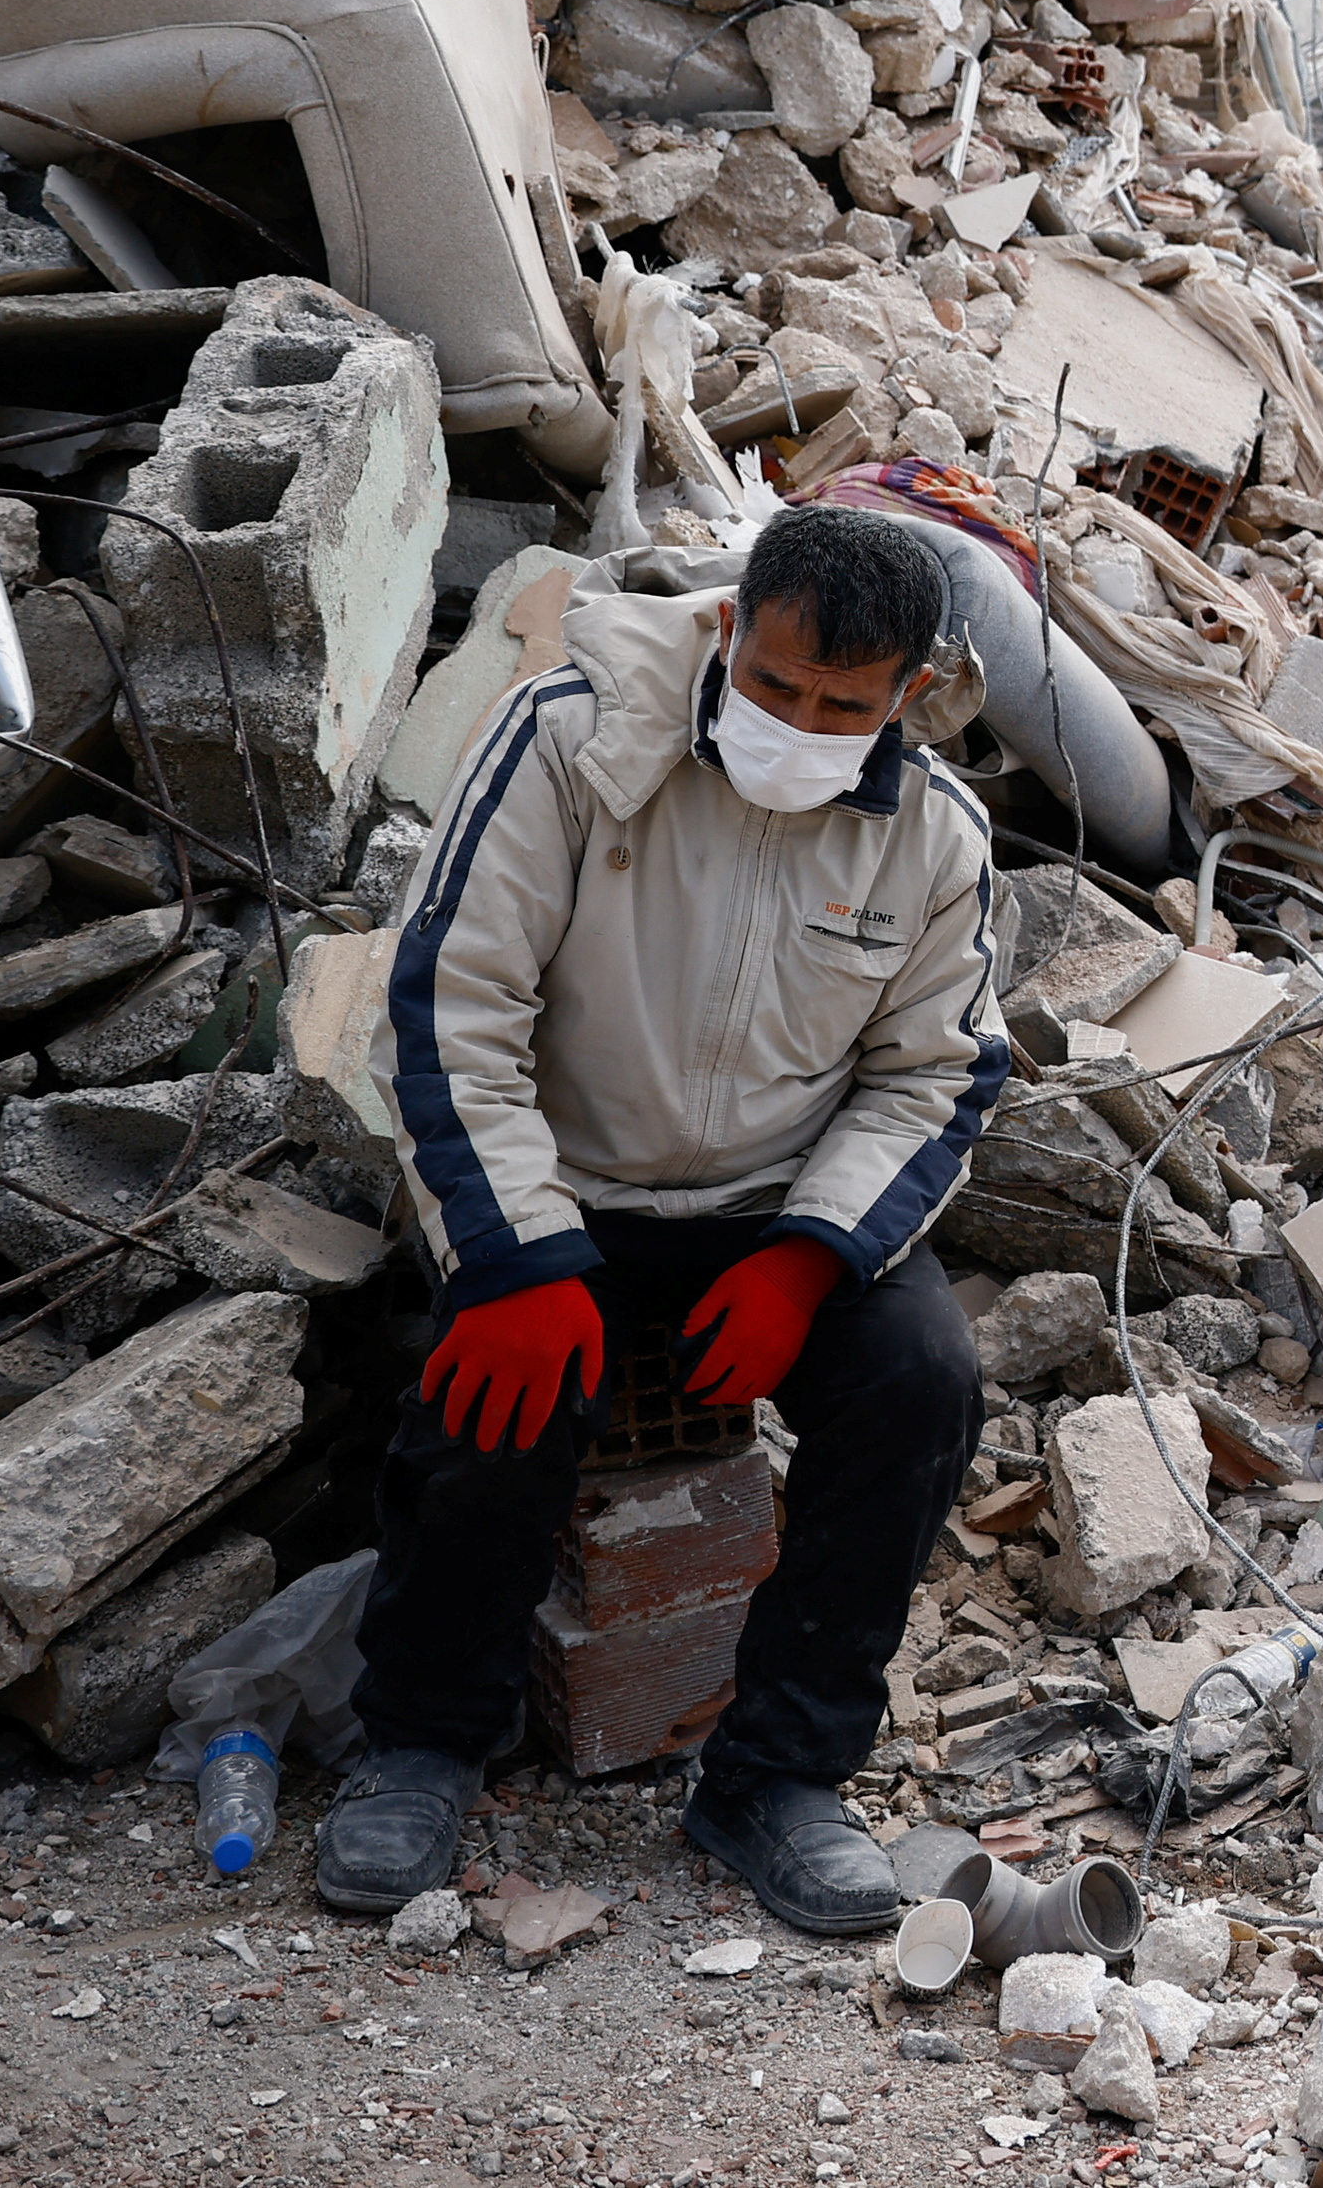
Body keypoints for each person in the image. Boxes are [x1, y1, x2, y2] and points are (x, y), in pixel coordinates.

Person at [304, 504, 1009, 1934]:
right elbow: (453, 1008)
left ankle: (780, 1777)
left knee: (922, 1384)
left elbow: (935, 1076)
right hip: (562, 1184)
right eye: (775, 683)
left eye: (842, 707)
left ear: (908, 697)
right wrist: (520, 1254)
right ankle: (427, 1744)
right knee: (487, 1414)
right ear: (730, 628)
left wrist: (812, 1262)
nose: (799, 721)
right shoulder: (567, 740)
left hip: (772, 1209)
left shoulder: (933, 836)